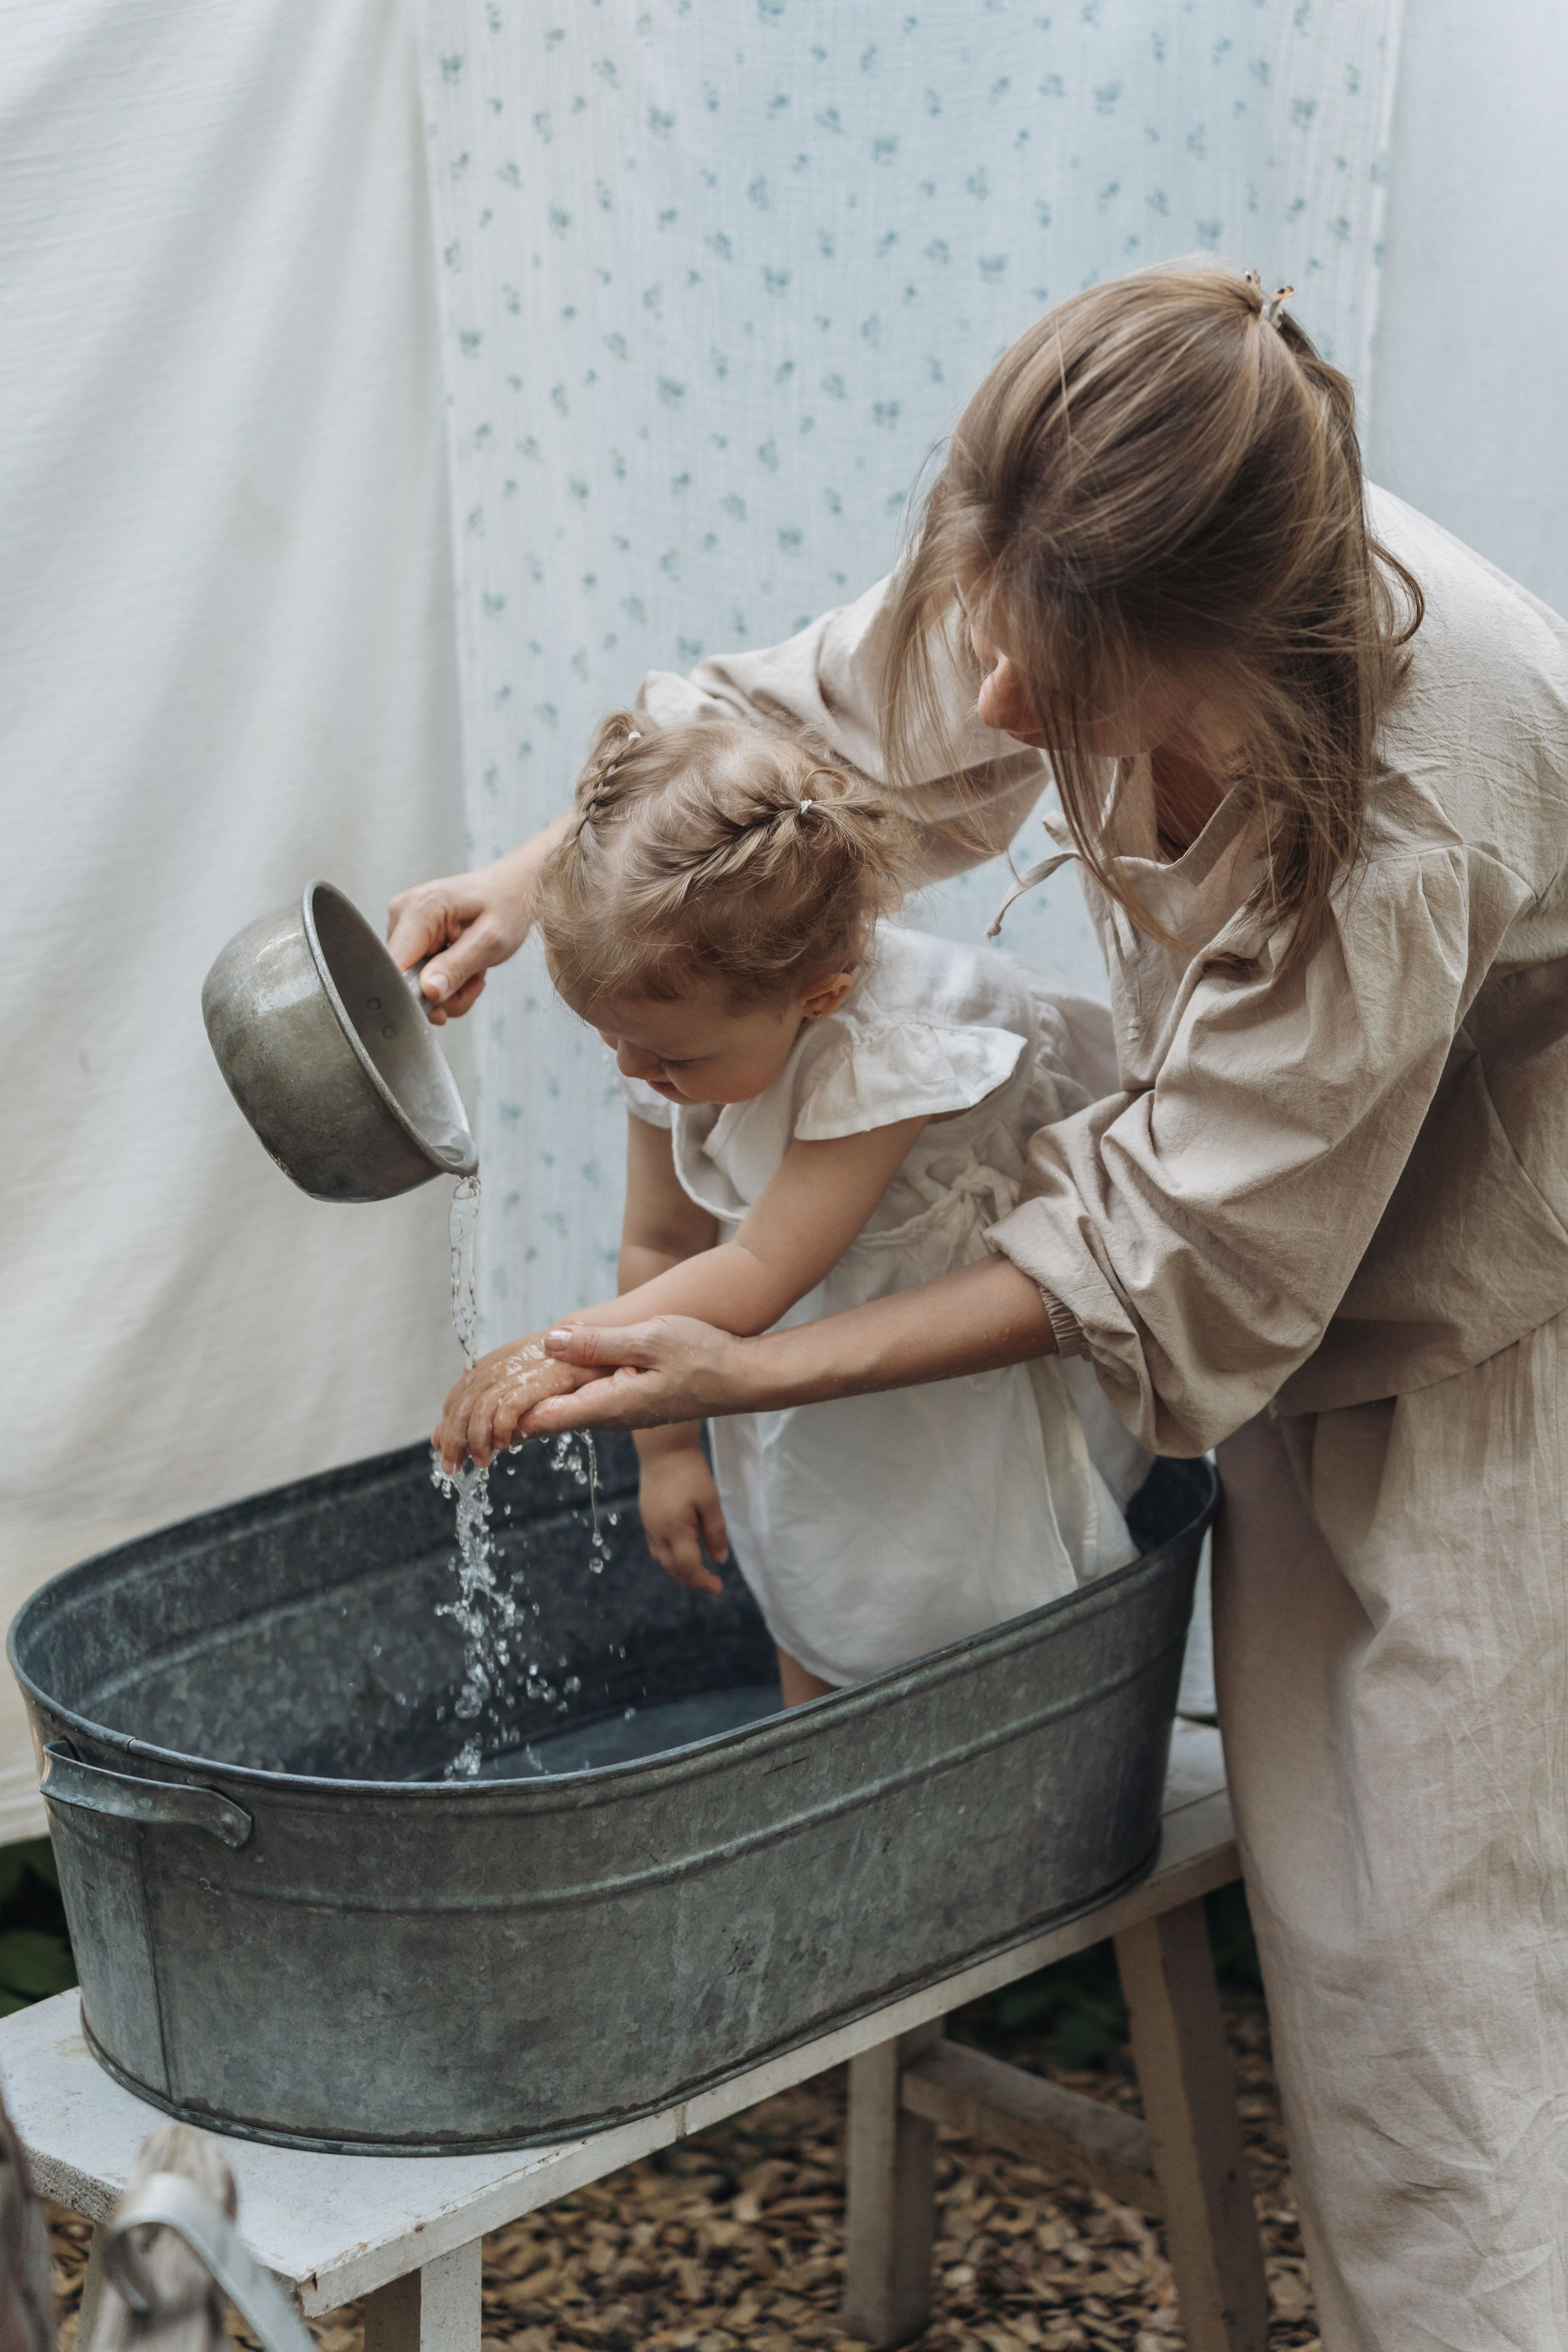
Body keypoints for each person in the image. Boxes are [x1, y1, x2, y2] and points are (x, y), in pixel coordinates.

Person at [393, 263, 1568, 2346]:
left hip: (1481, 1336)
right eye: (1002, 629)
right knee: (1354, 1930)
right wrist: (542, 878)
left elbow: (1155, 1254)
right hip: (1273, 1280)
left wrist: (752, 1365)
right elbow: (830, 754)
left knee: (1426, 1985)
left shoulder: (1411, 802)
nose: (1007, 718)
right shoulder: (1097, 538)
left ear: (1233, 662)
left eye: (1072, 689)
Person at [436, 707, 1145, 1702]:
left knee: (963, 1574)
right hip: (814, 1338)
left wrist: (544, 1356)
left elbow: (758, 1272)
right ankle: (816, 1770)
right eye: (613, 1045)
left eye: (672, 1058)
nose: (638, 1075)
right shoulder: (671, 1031)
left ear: (817, 995)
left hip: (952, 1329)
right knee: (811, 1556)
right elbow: (662, 1241)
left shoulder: (892, 1046)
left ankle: (1022, 1743)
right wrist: (669, 1454)